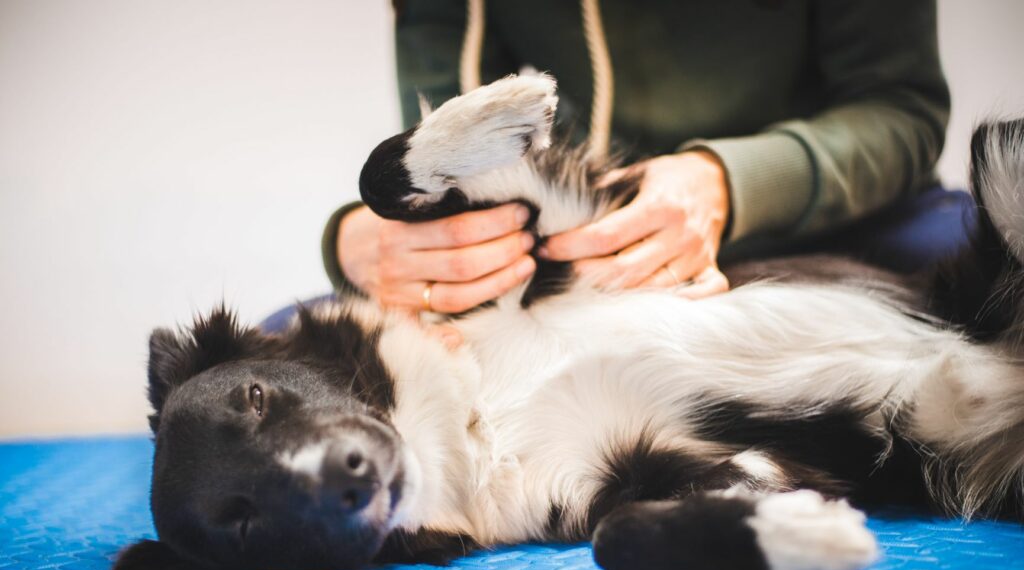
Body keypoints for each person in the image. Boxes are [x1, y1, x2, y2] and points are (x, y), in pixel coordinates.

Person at [320, 0, 949, 316]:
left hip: (839, 222)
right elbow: (449, 138)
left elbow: (902, 109)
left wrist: (727, 184)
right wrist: (356, 243)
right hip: (586, 251)